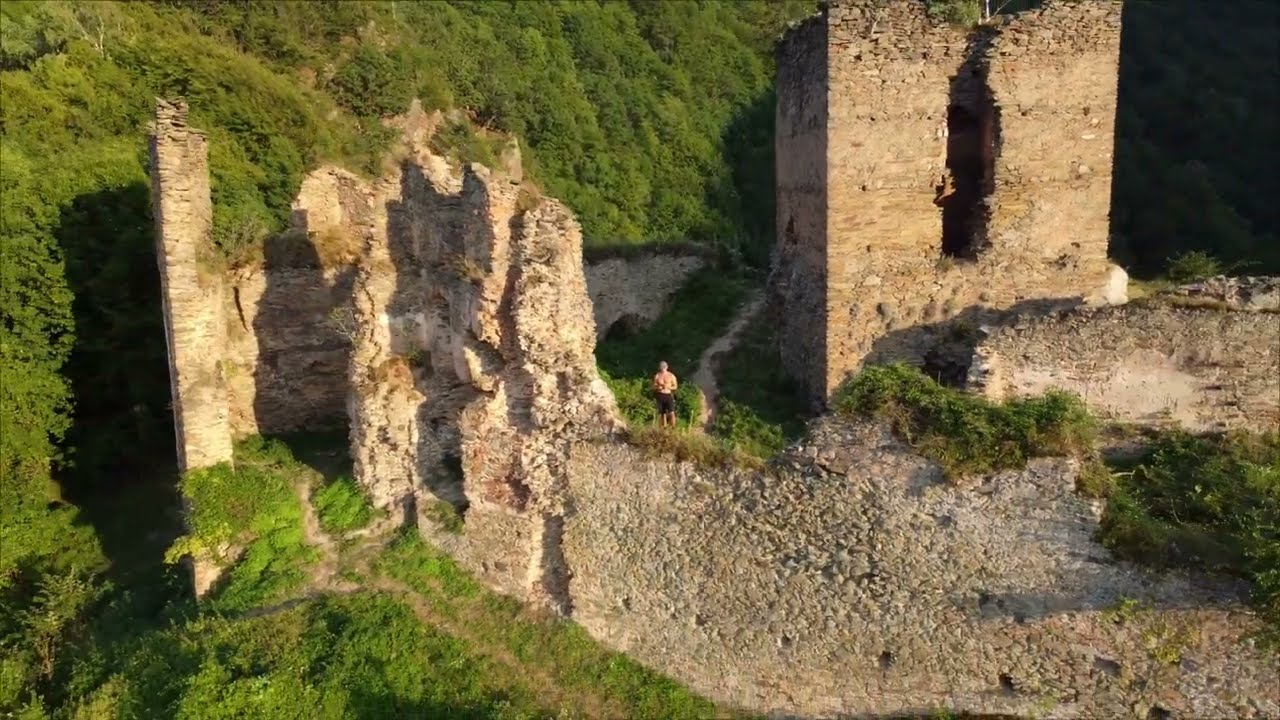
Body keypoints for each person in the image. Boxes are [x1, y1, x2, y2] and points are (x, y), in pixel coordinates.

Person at [652, 360, 678, 428]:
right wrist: (659, 387)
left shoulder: (671, 375)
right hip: (660, 395)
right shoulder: (657, 375)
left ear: (667, 367)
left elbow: (675, 386)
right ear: (660, 367)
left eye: (664, 366)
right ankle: (664, 427)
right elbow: (653, 386)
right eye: (661, 367)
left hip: (668, 395)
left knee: (671, 412)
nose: (663, 368)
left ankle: (673, 427)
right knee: (662, 413)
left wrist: (668, 387)